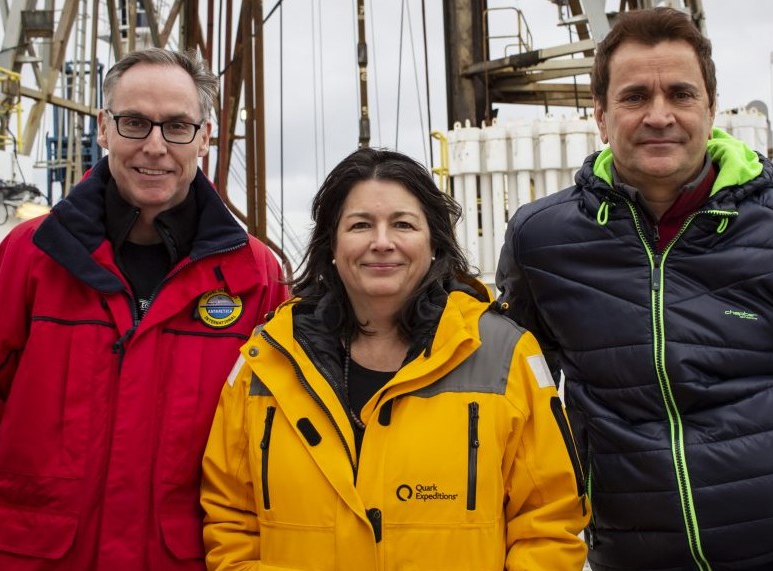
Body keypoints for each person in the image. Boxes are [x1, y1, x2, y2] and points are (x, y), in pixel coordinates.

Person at [496, 7, 773, 571]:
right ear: (600, 114)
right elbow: (510, 406)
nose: (659, 115)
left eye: (681, 94)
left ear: (710, 109)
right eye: (635, 96)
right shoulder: (541, 241)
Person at [0, 47, 288, 570]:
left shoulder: (255, 278)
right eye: (134, 123)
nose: (154, 146)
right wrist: (31, 510)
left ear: (204, 138)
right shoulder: (32, 257)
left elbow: (271, 438)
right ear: (104, 128)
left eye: (177, 127)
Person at [201, 147, 588, 570]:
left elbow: (549, 521)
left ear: (434, 242)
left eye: (402, 224)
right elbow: (230, 519)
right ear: (332, 242)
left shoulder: (503, 355)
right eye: (361, 225)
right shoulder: (268, 361)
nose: (381, 243)